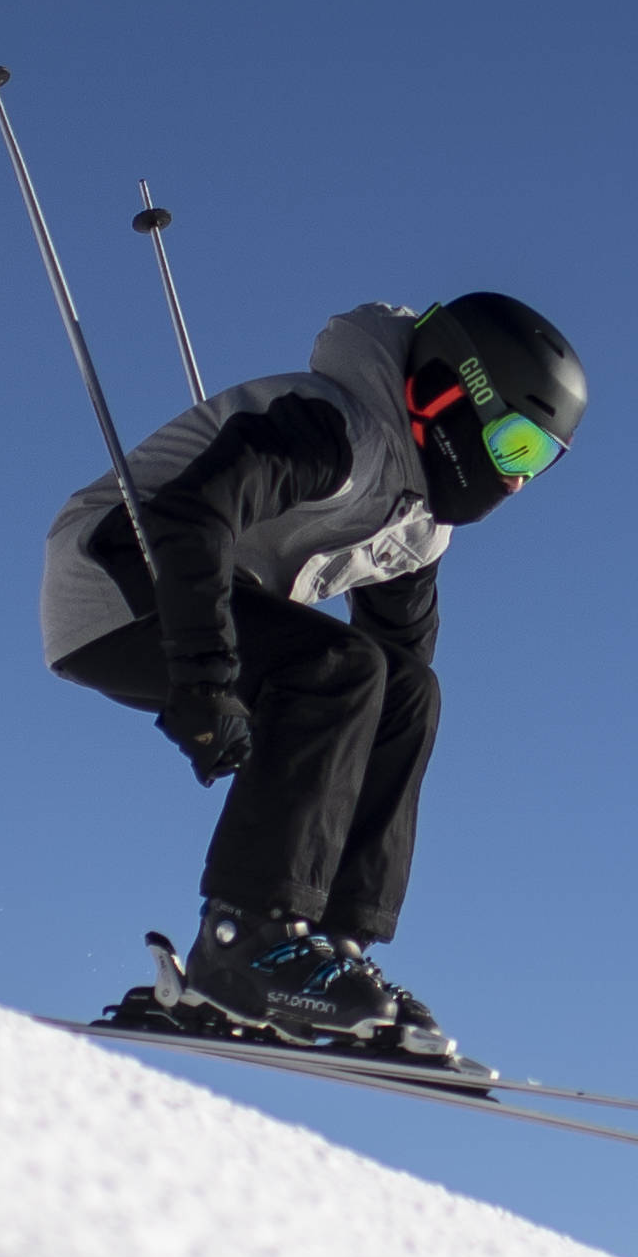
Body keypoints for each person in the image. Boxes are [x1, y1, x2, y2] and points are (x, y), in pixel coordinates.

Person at [36, 293, 587, 1053]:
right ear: (449, 395)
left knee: (408, 693)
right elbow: (189, 518)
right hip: (121, 577)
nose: (518, 482)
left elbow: (397, 681)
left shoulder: (419, 526)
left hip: (215, 604)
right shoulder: (332, 428)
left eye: (541, 462)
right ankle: (244, 940)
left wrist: (330, 781)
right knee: (339, 667)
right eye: (515, 447)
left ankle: (323, 951)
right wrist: (206, 682)